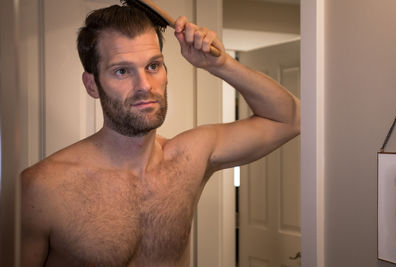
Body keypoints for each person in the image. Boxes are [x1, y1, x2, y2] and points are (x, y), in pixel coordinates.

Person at [21, 3, 300, 267]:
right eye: (121, 71)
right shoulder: (43, 188)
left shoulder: (188, 159)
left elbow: (289, 119)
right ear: (92, 85)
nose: (145, 86)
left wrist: (220, 64)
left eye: (153, 66)